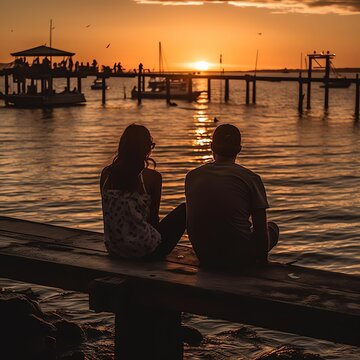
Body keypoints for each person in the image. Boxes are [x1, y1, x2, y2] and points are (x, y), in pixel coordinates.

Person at [185, 124, 279, 271]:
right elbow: (260, 231)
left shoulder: (192, 176)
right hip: (238, 258)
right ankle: (259, 261)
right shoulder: (251, 178)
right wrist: (263, 262)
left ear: (211, 147)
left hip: (204, 255)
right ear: (239, 149)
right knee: (272, 228)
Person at [100, 124, 186, 260]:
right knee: (185, 210)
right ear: (146, 148)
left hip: (114, 249)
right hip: (146, 252)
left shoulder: (106, 174)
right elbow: (153, 219)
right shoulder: (152, 178)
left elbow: (108, 213)